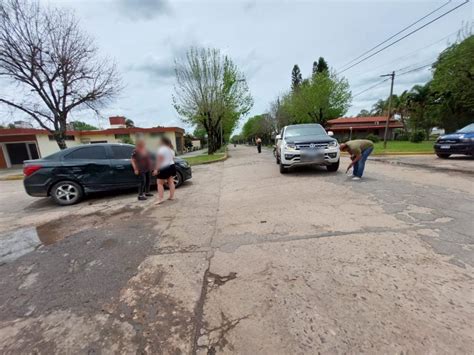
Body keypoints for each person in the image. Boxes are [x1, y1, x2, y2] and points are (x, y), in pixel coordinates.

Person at [153, 137, 176, 204]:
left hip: (164, 167)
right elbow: (173, 159)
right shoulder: (171, 150)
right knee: (171, 182)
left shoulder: (161, 149)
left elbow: (159, 161)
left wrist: (156, 170)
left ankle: (160, 199)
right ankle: (171, 197)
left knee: (159, 183)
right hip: (172, 166)